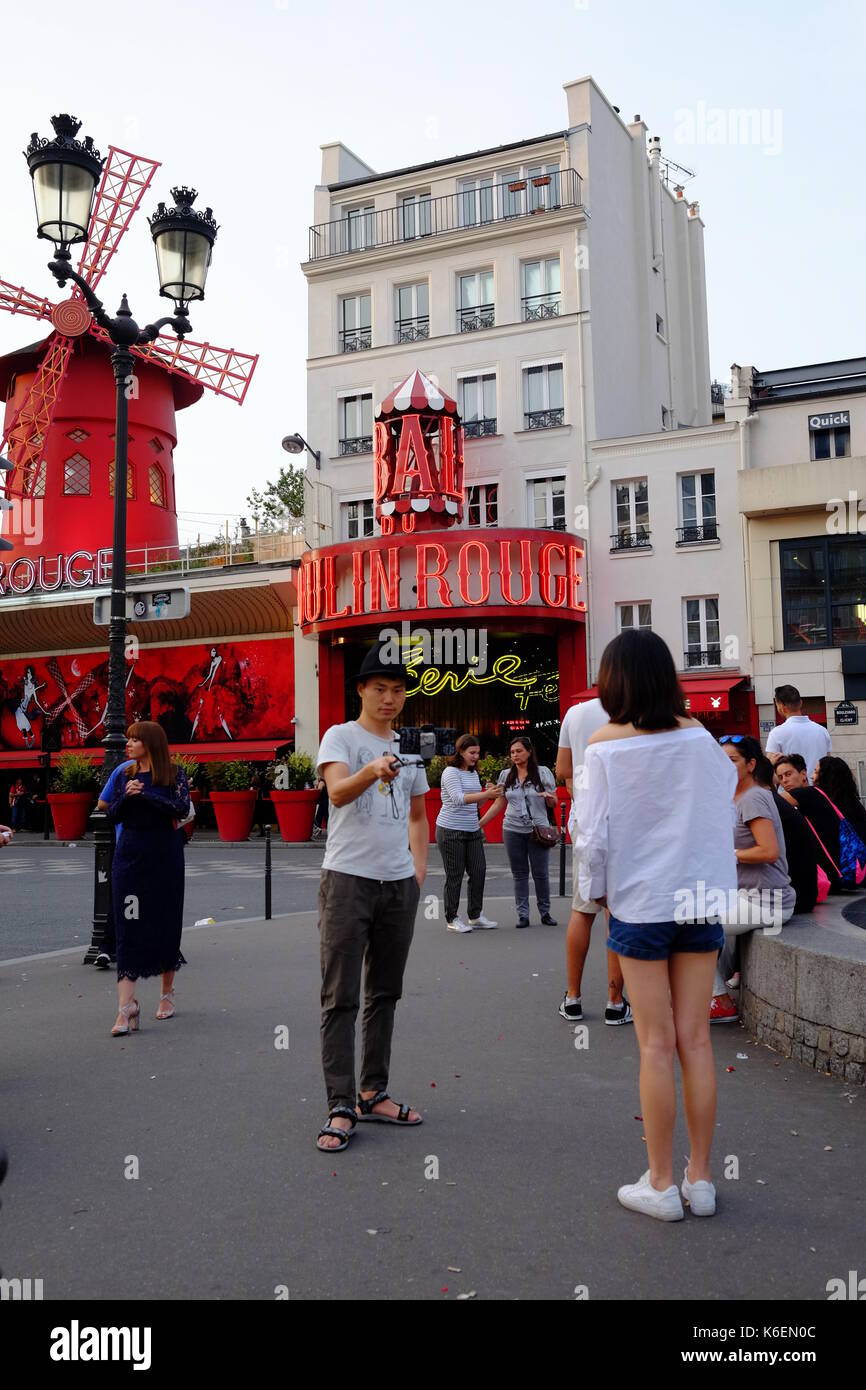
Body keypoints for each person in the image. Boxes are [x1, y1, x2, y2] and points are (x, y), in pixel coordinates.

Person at [576, 629, 738, 1222]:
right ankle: (701, 1180)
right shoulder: (702, 740)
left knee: (655, 1043)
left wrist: (595, 894)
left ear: (614, 681)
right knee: (696, 1039)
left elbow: (591, 838)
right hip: (698, 899)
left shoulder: (603, 747)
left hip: (641, 903)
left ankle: (662, 1184)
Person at [314, 641, 429, 1153]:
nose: (389, 698)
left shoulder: (409, 747)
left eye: (398, 690)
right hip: (347, 879)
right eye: (380, 688)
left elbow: (420, 816)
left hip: (398, 883)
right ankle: (340, 1105)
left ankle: (372, 1092)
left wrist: (419, 871)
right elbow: (337, 792)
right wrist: (372, 770)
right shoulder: (340, 736)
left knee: (386, 991)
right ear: (360, 689)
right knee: (341, 996)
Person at [102, 722, 191, 1035]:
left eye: (135, 739)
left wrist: (148, 798)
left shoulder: (173, 774)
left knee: (165, 922)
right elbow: (110, 814)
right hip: (129, 858)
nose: (128, 744)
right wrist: (127, 797)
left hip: (165, 857)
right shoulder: (124, 775)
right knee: (129, 926)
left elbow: (181, 807)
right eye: (128, 739)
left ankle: (167, 994)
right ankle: (125, 1008)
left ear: (150, 743)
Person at [555, 697, 631, 1025]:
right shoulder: (638, 710)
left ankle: (573, 997)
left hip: (587, 822)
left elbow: (562, 771)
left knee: (582, 911)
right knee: (617, 913)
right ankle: (615, 1001)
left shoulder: (577, 712)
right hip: (627, 823)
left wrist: (581, 794)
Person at [711, 736, 796, 1023]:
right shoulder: (734, 797)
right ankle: (713, 993)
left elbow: (769, 851)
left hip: (767, 900)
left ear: (750, 764)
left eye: (732, 760)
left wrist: (730, 854)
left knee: (694, 925)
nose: (724, 765)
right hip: (747, 894)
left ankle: (719, 1001)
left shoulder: (753, 798)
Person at [480, 736, 558, 929]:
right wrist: (479, 823)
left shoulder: (543, 773)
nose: (515, 755)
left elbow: (553, 802)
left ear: (529, 752)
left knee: (541, 873)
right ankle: (523, 915)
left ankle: (545, 912)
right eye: (512, 752)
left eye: (519, 751)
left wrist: (549, 798)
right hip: (512, 828)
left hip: (538, 829)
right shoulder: (506, 775)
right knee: (519, 873)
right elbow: (499, 803)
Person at [435, 734, 502, 932]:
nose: (475, 757)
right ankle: (452, 918)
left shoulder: (473, 773)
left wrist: (487, 793)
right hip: (450, 830)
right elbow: (457, 799)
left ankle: (475, 915)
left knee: (479, 871)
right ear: (461, 752)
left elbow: (478, 803)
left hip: (472, 828)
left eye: (477, 753)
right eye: (471, 753)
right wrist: (486, 794)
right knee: (454, 875)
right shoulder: (450, 772)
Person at [778, 754, 866, 887]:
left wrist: (768, 773)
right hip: (856, 869)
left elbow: (770, 801)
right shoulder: (852, 803)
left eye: (816, 772)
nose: (812, 777)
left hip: (832, 877)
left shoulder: (812, 794)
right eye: (780, 777)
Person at [766, 685, 831, 782]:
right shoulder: (822, 731)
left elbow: (768, 768)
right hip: (819, 790)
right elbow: (828, 764)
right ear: (801, 703)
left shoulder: (776, 733)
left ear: (781, 707)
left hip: (790, 793)